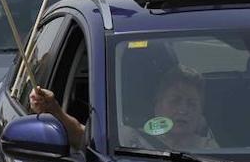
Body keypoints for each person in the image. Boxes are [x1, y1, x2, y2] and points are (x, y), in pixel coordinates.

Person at [31, 64, 217, 151]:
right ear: (157, 105)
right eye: (175, 101)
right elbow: (83, 136)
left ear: (202, 111)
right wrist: (54, 109)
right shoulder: (127, 138)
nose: (184, 109)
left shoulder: (212, 150)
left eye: (192, 103)